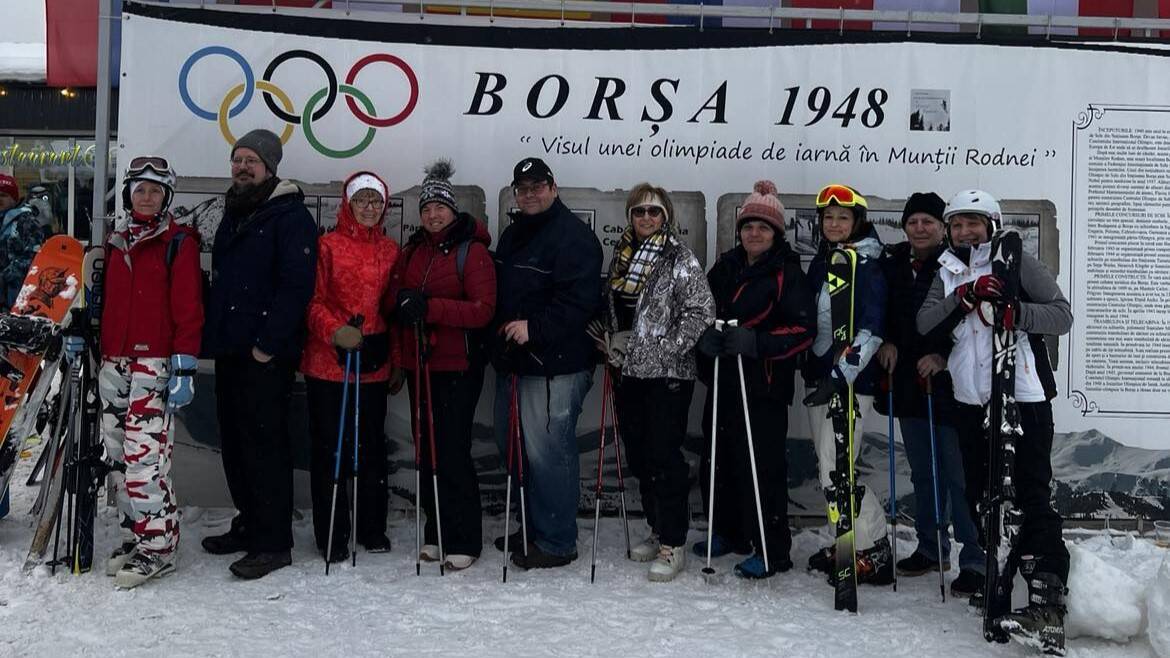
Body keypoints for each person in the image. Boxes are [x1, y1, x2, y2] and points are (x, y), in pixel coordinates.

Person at [918, 190, 1072, 654]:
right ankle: (1000, 579)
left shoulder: (1017, 259)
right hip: (970, 399)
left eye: (973, 223)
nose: (965, 232)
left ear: (991, 222)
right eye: (957, 224)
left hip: (1022, 396)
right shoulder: (947, 268)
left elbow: (1062, 316)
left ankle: (1046, 599)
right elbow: (925, 323)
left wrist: (1015, 313)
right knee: (983, 495)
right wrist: (963, 298)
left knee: (1029, 492)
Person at [200, 129, 318, 580]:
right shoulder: (234, 208)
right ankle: (249, 523)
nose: (243, 167)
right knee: (234, 443)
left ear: (270, 167)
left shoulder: (289, 217)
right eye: (238, 159)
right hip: (231, 349)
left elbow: (296, 287)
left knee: (265, 447)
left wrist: (267, 345)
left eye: (251, 160)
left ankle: (273, 543)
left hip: (266, 355)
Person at [694, 180, 815, 579]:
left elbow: (802, 330)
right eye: (749, 226)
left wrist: (757, 342)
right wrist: (706, 338)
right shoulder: (726, 266)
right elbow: (702, 311)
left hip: (762, 385)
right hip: (724, 377)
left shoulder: (786, 273)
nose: (755, 233)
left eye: (763, 228)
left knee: (760, 467)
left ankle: (770, 546)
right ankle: (728, 531)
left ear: (776, 233)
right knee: (719, 459)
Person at [594, 182, 713, 582]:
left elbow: (700, 310)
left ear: (666, 218)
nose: (646, 218)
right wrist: (611, 341)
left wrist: (668, 347)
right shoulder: (622, 257)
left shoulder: (679, 258)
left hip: (667, 375)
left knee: (665, 457)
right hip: (628, 371)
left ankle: (674, 542)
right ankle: (657, 527)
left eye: (654, 212)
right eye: (639, 211)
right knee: (641, 456)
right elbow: (618, 309)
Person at [491, 157, 602, 570]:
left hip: (556, 364)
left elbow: (579, 302)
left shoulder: (574, 237)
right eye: (523, 188)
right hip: (517, 362)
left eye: (538, 186)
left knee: (549, 453)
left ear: (553, 188)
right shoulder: (515, 233)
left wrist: (533, 328)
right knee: (516, 448)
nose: (530, 194)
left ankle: (556, 541)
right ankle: (533, 527)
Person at [98, 156, 203, 588]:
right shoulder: (115, 240)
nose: (146, 197)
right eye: (140, 189)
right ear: (128, 194)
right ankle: (138, 536)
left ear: (167, 198)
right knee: (119, 455)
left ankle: (158, 549)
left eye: (155, 191)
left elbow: (189, 308)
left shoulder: (178, 241)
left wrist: (184, 366)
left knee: (146, 461)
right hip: (113, 362)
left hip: (153, 363)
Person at [387, 160, 495, 571]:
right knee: (428, 450)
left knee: (452, 451)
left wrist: (430, 308)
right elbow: (395, 300)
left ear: (453, 211)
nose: (433, 215)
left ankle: (463, 536)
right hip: (420, 365)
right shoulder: (414, 251)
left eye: (440, 208)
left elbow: (483, 311)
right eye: (427, 208)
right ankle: (436, 531)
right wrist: (400, 306)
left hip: (457, 366)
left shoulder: (474, 252)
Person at [876, 192, 986, 596]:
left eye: (929, 222)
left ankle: (974, 557)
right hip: (907, 380)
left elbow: (975, 324)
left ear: (942, 227)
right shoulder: (892, 262)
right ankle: (930, 545)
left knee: (960, 475)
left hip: (952, 385)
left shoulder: (957, 264)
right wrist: (886, 340)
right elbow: (883, 309)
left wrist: (943, 355)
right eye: (913, 221)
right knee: (923, 471)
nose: (920, 228)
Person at [301, 171, 399, 563]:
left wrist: (396, 360)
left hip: (373, 361)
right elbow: (312, 302)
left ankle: (372, 526)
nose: (370, 209)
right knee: (330, 450)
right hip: (330, 363)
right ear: (348, 204)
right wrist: (334, 331)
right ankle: (332, 533)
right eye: (362, 201)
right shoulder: (327, 246)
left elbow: (393, 309)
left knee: (372, 447)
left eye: (376, 201)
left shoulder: (391, 251)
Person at [802, 183, 893, 586]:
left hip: (851, 385)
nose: (834, 223)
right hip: (820, 378)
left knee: (838, 470)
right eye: (828, 217)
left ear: (858, 221)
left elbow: (872, 331)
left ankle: (874, 548)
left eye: (842, 217)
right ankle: (848, 543)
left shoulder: (870, 265)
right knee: (829, 467)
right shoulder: (822, 263)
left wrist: (842, 376)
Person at [0, 174, 48, 309]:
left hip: (16, 294)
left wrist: (4, 277)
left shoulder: (26, 221)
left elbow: (34, 257)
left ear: (13, 198)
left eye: (3, 195)